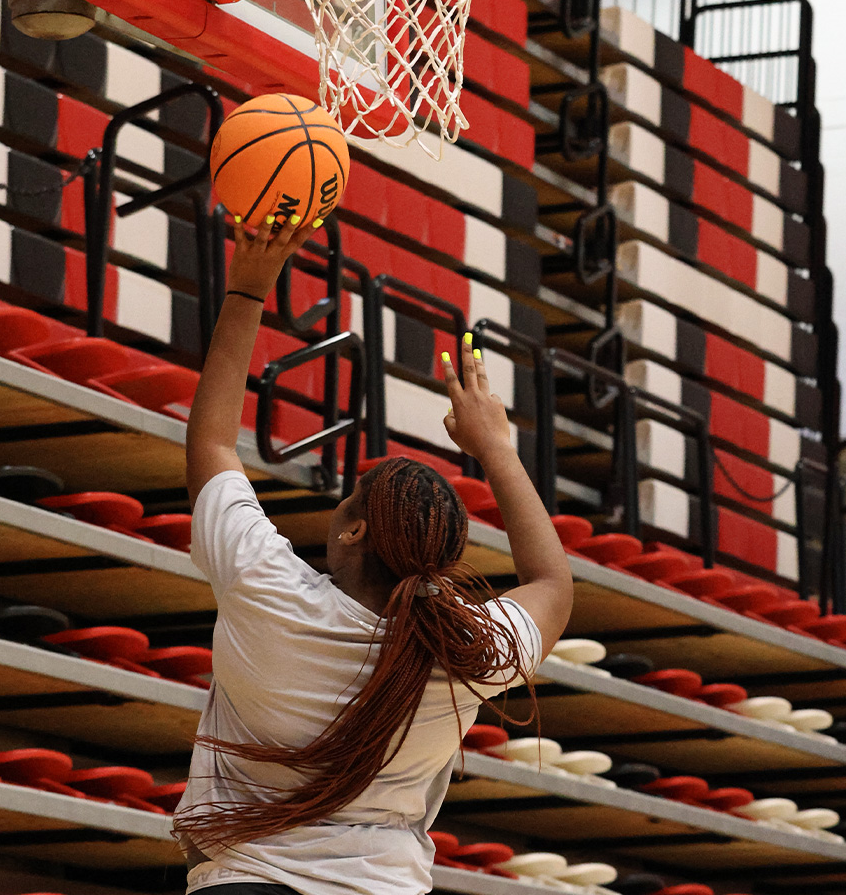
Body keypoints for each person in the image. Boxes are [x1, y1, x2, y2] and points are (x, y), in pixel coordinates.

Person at [174, 213, 574, 895]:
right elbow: (551, 582)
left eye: (350, 500)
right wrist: (498, 449)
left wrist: (248, 289)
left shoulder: (265, 586)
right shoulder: (469, 651)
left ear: (354, 531)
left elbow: (213, 445)